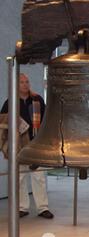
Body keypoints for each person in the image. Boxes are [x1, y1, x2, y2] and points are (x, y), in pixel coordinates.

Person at [0, 73, 54, 219]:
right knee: (20, 178)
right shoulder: (9, 102)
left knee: (39, 177)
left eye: (27, 81)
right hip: (18, 146)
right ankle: (22, 207)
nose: (25, 84)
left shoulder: (37, 100)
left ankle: (43, 208)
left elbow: (46, 120)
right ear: (16, 85)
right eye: (22, 82)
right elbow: (3, 123)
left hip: (36, 143)